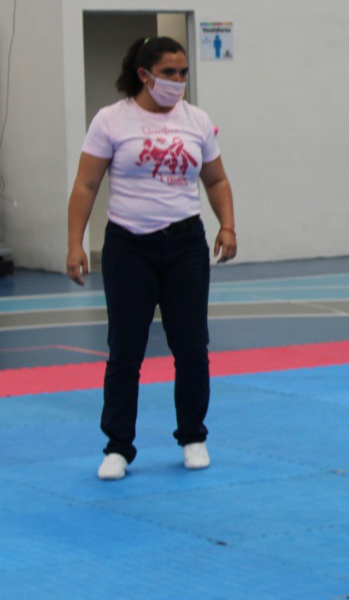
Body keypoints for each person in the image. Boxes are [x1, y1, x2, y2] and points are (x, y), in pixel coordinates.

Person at [66, 36, 237, 481]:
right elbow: (86, 185)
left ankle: (193, 435)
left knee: (191, 346)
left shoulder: (196, 120)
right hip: (128, 247)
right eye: (169, 73)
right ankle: (118, 446)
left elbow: (216, 180)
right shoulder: (111, 120)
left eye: (183, 73)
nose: (178, 82)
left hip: (184, 246)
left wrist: (227, 225)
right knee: (126, 350)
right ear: (144, 75)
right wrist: (74, 243)